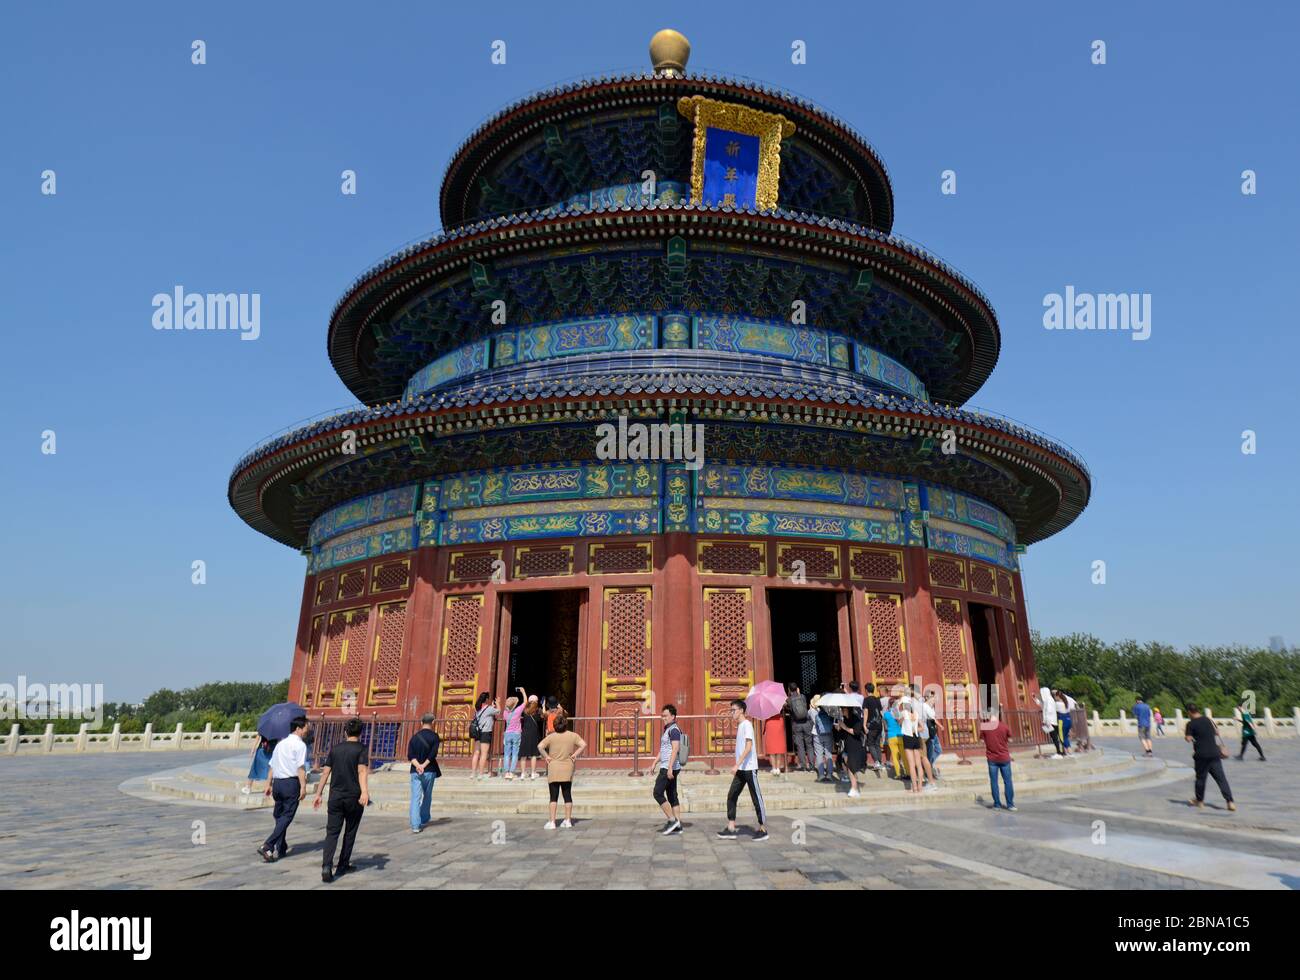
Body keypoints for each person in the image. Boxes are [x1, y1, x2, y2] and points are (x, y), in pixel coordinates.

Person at [314, 716, 370, 882]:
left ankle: (326, 865)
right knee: (350, 831)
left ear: (345, 731)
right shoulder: (361, 749)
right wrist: (365, 792)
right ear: (360, 733)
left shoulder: (335, 749)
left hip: (335, 797)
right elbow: (362, 771)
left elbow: (325, 772)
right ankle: (343, 864)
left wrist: (318, 793)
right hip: (353, 797)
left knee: (332, 832)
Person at [258, 716, 309, 862]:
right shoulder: (300, 745)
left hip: (278, 784)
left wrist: (268, 783)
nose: (308, 730)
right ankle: (268, 845)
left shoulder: (281, 744)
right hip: (290, 784)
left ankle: (281, 846)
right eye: (306, 727)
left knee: (279, 816)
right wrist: (303, 786)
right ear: (298, 729)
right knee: (287, 816)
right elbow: (300, 768)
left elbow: (272, 765)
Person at [718, 699, 768, 841]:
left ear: (740, 710)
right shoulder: (740, 726)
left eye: (733, 710)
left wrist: (736, 764)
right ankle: (731, 827)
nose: (731, 713)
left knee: (756, 797)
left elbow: (749, 747)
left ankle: (763, 828)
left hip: (749, 768)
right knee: (732, 795)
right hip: (741, 769)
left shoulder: (747, 725)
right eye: (731, 710)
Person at [538, 712, 586, 829]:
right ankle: (568, 820)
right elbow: (583, 744)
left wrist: (546, 756)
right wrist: (574, 755)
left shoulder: (551, 736)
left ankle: (552, 821)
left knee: (553, 796)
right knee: (567, 794)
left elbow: (540, 746)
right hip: (567, 766)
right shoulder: (572, 735)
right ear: (566, 724)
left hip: (554, 767)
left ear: (554, 725)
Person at [1185, 705, 1235, 810]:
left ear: (1189, 712)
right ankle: (1230, 802)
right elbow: (1217, 732)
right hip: (1214, 753)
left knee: (1200, 779)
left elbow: (1188, 739)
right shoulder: (1208, 720)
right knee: (1221, 779)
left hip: (1201, 755)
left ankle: (1200, 801)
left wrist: (1188, 736)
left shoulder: (1190, 724)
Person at [652, 704, 686, 834]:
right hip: (668, 765)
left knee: (657, 792)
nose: (663, 718)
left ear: (673, 716)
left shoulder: (674, 730)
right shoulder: (668, 729)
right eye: (662, 716)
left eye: (666, 716)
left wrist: (670, 768)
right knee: (672, 795)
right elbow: (664, 750)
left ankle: (672, 821)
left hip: (668, 767)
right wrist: (655, 762)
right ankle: (678, 826)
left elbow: (675, 748)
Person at [407, 712, 441, 833]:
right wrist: (424, 765)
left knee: (415, 797)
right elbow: (433, 754)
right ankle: (424, 818)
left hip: (415, 771)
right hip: (429, 770)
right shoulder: (435, 737)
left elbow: (410, 755)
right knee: (427, 795)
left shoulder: (414, 737)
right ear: (433, 723)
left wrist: (418, 765)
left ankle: (415, 825)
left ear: (421, 723)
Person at [980, 708, 1016, 811]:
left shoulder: (985, 727)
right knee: (1008, 781)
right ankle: (1010, 804)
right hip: (1004, 757)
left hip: (992, 758)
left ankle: (997, 804)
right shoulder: (1004, 726)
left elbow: (982, 741)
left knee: (994, 781)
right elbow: (1010, 739)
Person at [833, 701, 867, 798]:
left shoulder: (856, 719)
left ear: (847, 709)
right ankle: (854, 786)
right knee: (849, 766)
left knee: (851, 767)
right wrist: (839, 728)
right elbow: (843, 733)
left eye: (843, 709)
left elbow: (856, 732)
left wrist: (844, 727)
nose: (842, 711)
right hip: (847, 745)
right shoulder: (844, 719)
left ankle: (854, 788)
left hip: (855, 745)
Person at [897, 687, 924, 795]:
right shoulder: (916, 714)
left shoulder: (904, 713)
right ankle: (920, 786)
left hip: (907, 738)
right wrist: (915, 729)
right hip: (916, 737)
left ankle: (914, 787)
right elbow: (922, 727)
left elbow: (899, 723)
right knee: (918, 764)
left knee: (911, 764)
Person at [469, 692, 499, 780]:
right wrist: (498, 704)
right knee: (484, 753)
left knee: (476, 752)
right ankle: (481, 774)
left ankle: (473, 773)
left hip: (478, 732)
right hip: (486, 732)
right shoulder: (489, 708)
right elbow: (498, 711)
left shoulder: (477, 709)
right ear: (486, 699)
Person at [787, 682, 814, 773]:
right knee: (809, 745)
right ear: (797, 689)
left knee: (800, 746)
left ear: (789, 690)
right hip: (806, 723)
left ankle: (803, 766)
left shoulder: (789, 700)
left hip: (796, 724)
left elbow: (790, 709)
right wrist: (798, 693)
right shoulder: (803, 697)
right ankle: (811, 766)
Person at [810, 694, 836, 783]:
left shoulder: (812, 712)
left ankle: (821, 775)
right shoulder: (828, 712)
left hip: (817, 735)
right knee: (828, 754)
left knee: (819, 754)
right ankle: (829, 775)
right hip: (828, 734)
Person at [501, 691, 525, 779]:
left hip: (507, 734)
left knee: (507, 754)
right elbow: (525, 702)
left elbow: (503, 713)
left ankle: (506, 772)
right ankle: (511, 772)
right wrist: (523, 692)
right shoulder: (518, 711)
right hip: (516, 734)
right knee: (515, 753)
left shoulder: (505, 713)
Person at [519, 695, 544, 779]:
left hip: (525, 733)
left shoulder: (525, 710)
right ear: (537, 702)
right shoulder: (538, 710)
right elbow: (543, 717)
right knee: (533, 754)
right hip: (534, 734)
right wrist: (543, 706)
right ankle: (533, 773)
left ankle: (522, 773)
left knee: (523, 754)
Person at [863, 683, 885, 773]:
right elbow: (880, 712)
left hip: (871, 725)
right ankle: (879, 762)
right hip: (879, 724)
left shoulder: (866, 700)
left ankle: (876, 762)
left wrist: (864, 725)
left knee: (870, 743)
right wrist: (883, 724)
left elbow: (866, 712)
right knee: (877, 744)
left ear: (866, 690)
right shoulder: (877, 699)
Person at [884, 694, 907, 779]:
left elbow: (885, 727)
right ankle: (907, 772)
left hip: (891, 736)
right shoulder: (900, 713)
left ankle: (898, 774)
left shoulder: (886, 714)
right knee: (904, 755)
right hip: (900, 735)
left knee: (895, 756)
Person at [763, 701, 788, 776]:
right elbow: (786, 705)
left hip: (770, 723)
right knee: (778, 747)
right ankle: (778, 768)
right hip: (778, 722)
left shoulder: (766, 705)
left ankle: (774, 768)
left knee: (772, 748)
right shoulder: (779, 702)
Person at [922, 690, 942, 779]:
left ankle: (929, 765)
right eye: (931, 697)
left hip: (933, 731)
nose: (933, 699)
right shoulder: (924, 706)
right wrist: (940, 725)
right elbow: (932, 718)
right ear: (926, 697)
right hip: (929, 732)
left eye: (933, 697)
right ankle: (928, 767)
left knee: (938, 750)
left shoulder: (931, 707)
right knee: (930, 750)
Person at [1039, 686, 1062, 758]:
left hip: (1050, 722)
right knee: (1055, 737)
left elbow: (1049, 711)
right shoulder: (1048, 700)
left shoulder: (1049, 700)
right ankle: (1059, 751)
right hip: (1051, 721)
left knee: (1055, 737)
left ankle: (1059, 751)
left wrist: (1047, 721)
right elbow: (1042, 706)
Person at [1053, 690, 1071, 755]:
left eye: (1055, 696)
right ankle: (1066, 751)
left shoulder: (1057, 704)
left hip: (1062, 721)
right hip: (1068, 720)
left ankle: (1069, 750)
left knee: (1062, 737)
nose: (1054, 698)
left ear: (1058, 696)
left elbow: (1052, 709)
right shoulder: (1066, 703)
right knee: (1065, 736)